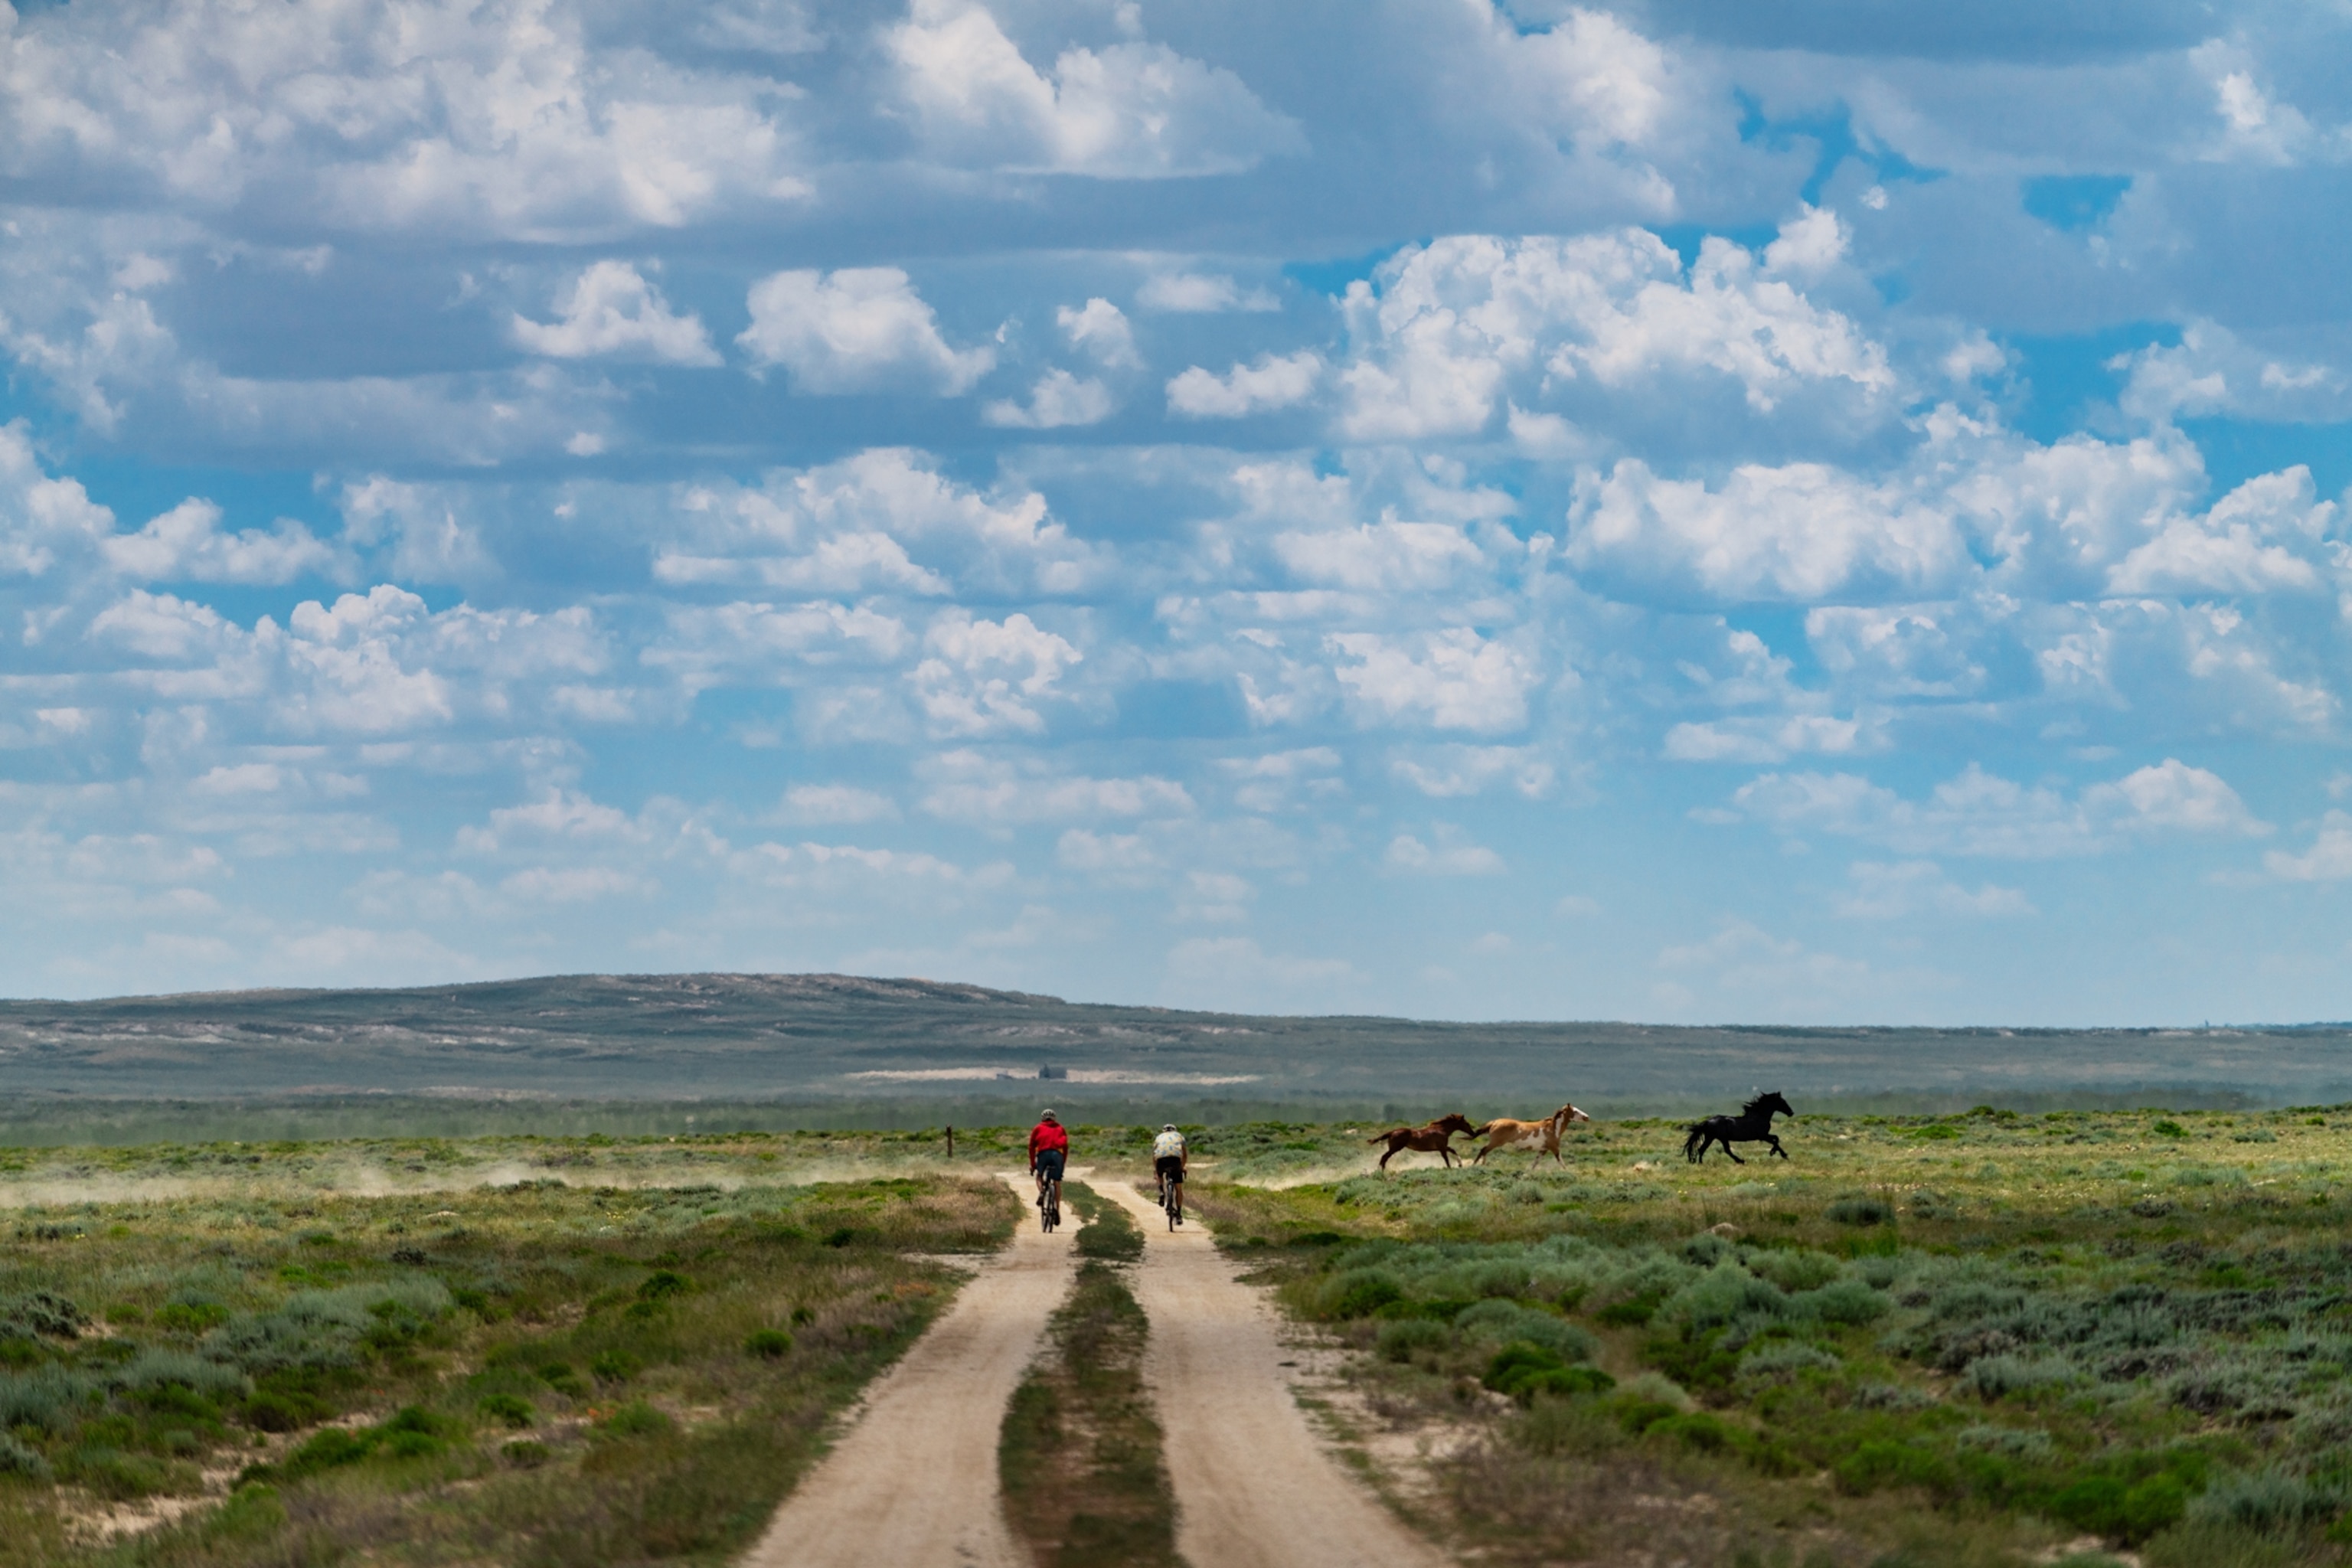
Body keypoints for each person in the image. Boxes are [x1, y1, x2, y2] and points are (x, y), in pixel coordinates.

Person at [1028, 1109, 1069, 1210]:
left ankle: (1042, 1192)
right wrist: (1062, 1162)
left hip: (1043, 1154)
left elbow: (1031, 1147)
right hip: (1057, 1155)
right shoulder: (1060, 1128)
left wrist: (1033, 1165)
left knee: (1039, 1176)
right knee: (1057, 1182)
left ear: (1042, 1118)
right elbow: (1065, 1147)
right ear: (1054, 1118)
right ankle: (1057, 1209)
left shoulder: (1037, 1128)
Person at [1152, 1122, 1187, 1219]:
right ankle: (1179, 1213)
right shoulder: (1179, 1136)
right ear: (1175, 1130)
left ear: (1164, 1131)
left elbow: (1154, 1155)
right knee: (1178, 1189)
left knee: (1159, 1174)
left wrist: (1156, 1169)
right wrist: (1182, 1167)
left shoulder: (1159, 1137)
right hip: (1175, 1161)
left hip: (1161, 1160)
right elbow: (1185, 1155)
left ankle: (1161, 1191)